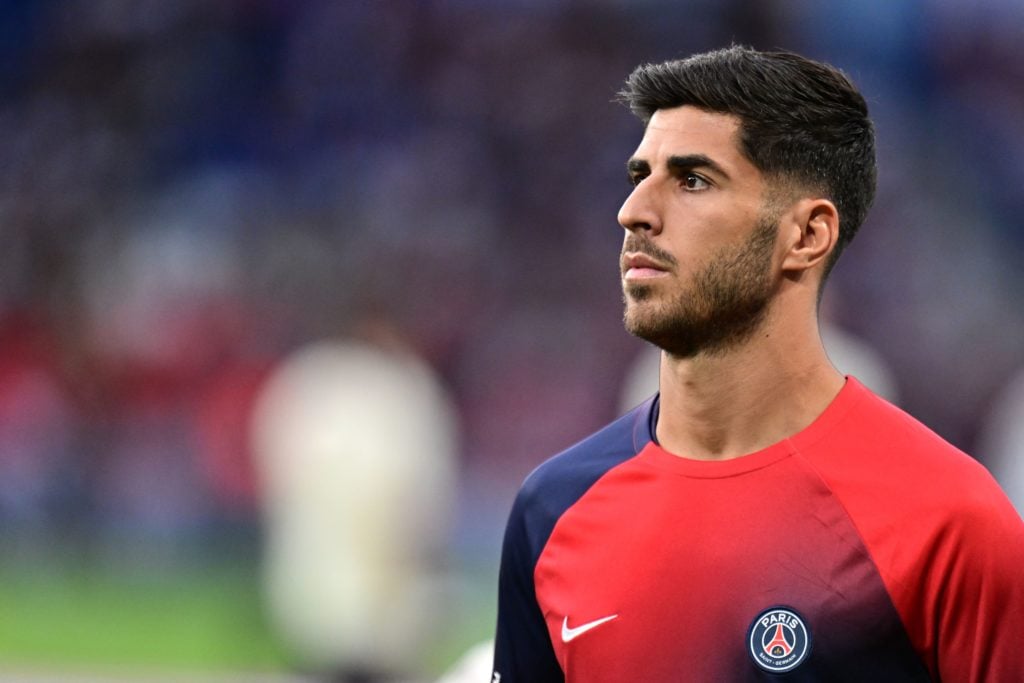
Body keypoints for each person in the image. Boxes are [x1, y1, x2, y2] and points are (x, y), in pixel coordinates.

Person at [492, 46, 1024, 682]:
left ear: (806, 236)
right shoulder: (553, 509)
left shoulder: (949, 522)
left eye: (693, 180)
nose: (633, 211)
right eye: (640, 174)